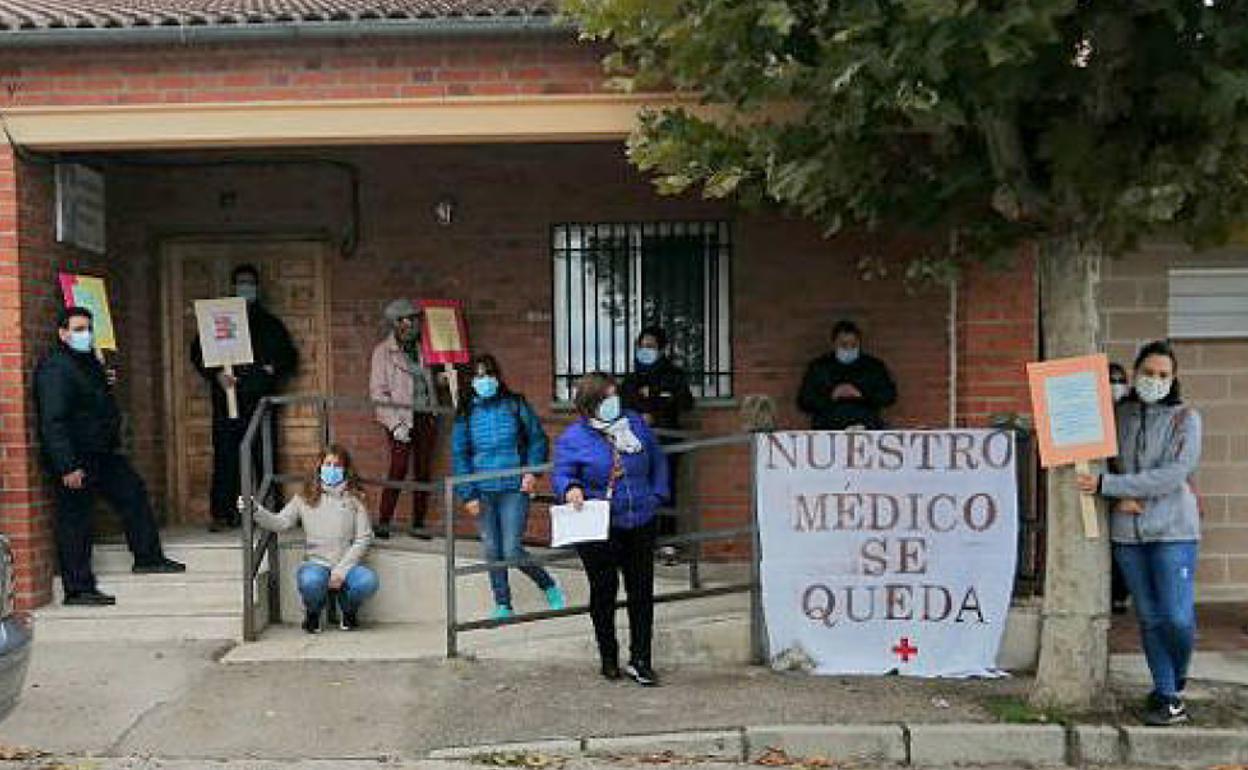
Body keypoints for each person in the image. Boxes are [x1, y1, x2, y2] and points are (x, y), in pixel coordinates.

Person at [1078, 341, 1201, 726]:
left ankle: (1177, 672)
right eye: (1148, 372)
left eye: (1163, 375)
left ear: (1174, 378)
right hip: (1127, 535)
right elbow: (1097, 459)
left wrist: (1113, 487)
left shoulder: (1186, 419)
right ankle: (1167, 695)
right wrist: (1116, 494)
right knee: (1149, 617)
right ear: (1135, 373)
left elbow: (1173, 474)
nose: (1155, 380)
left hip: (1174, 531)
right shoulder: (1118, 415)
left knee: (1177, 618)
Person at [34, 307, 186, 606]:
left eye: (88, 328)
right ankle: (78, 589)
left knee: (132, 492)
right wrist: (67, 465)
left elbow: (94, 402)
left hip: (101, 452)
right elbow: (53, 421)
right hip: (76, 457)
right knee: (76, 520)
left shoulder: (87, 362)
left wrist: (104, 381)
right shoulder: (56, 369)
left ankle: (148, 557)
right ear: (63, 333)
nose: (85, 334)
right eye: (78, 329)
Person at [553, 372, 670, 686]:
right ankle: (608, 655)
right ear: (590, 403)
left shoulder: (634, 424)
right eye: (606, 397)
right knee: (604, 591)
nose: (613, 401)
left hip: (641, 518)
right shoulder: (574, 437)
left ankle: (641, 659)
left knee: (641, 591)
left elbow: (657, 460)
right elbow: (562, 473)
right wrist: (571, 488)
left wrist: (657, 495)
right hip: (600, 526)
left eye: (614, 394)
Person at [452, 354, 565, 619]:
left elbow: (537, 439)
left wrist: (532, 472)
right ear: (471, 380)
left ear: (498, 376)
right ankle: (503, 604)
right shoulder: (465, 413)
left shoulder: (515, 404)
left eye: (489, 374)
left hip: (514, 488)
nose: (485, 380)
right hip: (482, 491)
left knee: (512, 550)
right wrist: (467, 494)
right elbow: (460, 455)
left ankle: (548, 584)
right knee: (492, 550)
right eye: (479, 375)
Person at [191, 264, 298, 532]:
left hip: (260, 404)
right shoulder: (219, 320)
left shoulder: (270, 324)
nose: (245, 287)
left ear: (257, 287)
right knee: (226, 459)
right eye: (241, 282)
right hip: (227, 402)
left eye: (249, 282)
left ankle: (270, 513)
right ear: (233, 286)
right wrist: (216, 374)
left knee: (264, 458)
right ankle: (222, 514)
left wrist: (271, 370)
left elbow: (289, 357)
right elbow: (198, 352)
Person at [245, 444, 378, 634]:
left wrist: (341, 570)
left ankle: (349, 611)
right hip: (316, 563)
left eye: (337, 465)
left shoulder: (356, 498)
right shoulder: (304, 497)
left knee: (367, 581)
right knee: (310, 582)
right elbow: (281, 522)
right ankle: (313, 613)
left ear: (345, 469)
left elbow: (364, 538)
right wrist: (256, 510)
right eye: (327, 464)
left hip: (347, 564)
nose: (331, 469)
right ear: (319, 467)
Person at [369, 299, 443, 539]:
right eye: (402, 320)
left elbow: (426, 380)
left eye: (412, 319)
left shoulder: (425, 348)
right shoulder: (383, 351)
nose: (408, 324)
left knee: (423, 470)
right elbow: (378, 392)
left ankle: (418, 524)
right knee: (398, 468)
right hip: (400, 418)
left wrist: (441, 381)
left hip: (425, 415)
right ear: (394, 323)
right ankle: (384, 522)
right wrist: (395, 425)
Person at [620, 326, 693, 564]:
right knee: (639, 489)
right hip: (637, 445)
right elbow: (624, 405)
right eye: (642, 346)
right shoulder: (632, 378)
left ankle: (668, 543)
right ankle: (642, 542)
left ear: (662, 349)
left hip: (666, 443)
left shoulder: (674, 376)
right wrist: (642, 413)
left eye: (650, 346)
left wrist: (656, 407)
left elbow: (684, 403)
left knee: (666, 490)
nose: (645, 351)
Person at [797, 319, 897, 430]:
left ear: (859, 344)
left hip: (865, 425)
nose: (849, 348)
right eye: (844, 345)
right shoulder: (819, 368)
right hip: (828, 427)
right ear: (834, 344)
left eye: (853, 345)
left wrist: (862, 395)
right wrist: (831, 396)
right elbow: (804, 401)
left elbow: (889, 396)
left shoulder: (874, 367)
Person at [1108, 362, 1132, 615]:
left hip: (1125, 482)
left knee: (1122, 542)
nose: (1116, 386)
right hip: (1104, 481)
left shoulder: (1130, 411)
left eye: (1119, 381)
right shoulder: (1095, 411)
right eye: (1111, 381)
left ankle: (1120, 593)